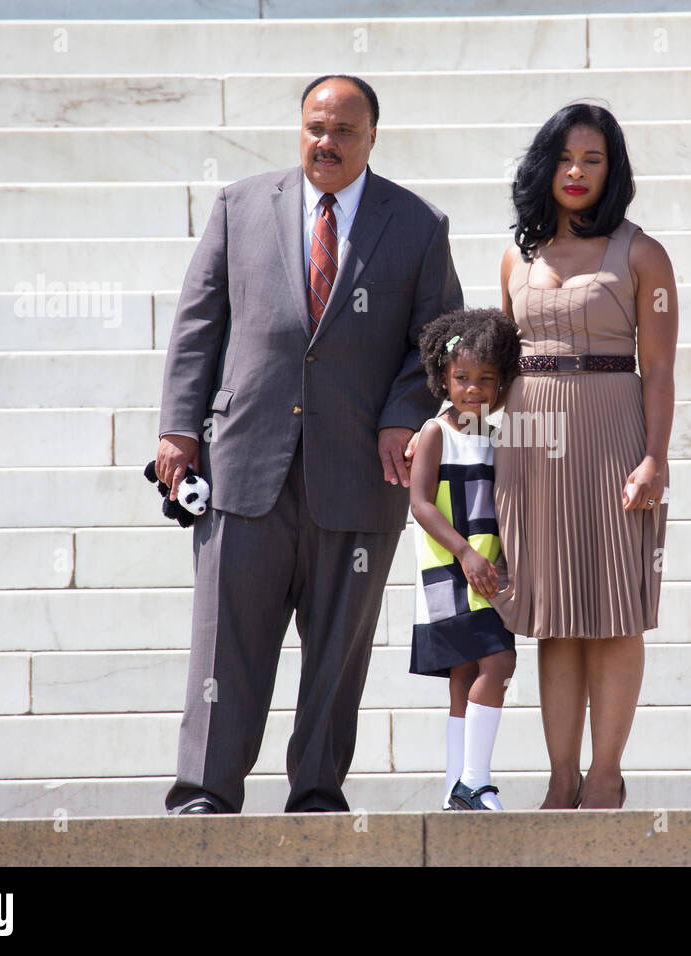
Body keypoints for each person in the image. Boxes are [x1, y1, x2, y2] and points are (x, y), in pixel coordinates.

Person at [155, 73, 462, 814]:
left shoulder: (417, 224)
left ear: (371, 138)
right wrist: (177, 428)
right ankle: (205, 793)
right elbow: (199, 325)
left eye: (344, 131)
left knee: (337, 655)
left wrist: (402, 412)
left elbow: (441, 339)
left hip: (359, 473)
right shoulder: (240, 205)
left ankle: (318, 796)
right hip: (243, 466)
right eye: (315, 127)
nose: (326, 142)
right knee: (224, 646)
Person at [495, 103, 678, 810]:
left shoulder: (642, 253)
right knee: (555, 616)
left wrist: (654, 458)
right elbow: (492, 363)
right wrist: (451, 428)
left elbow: (659, 370)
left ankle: (606, 775)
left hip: (613, 439)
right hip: (529, 447)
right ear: (546, 166)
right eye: (566, 158)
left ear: (612, 171)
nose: (577, 171)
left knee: (614, 613)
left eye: (593, 159)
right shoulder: (516, 255)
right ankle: (560, 775)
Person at [408, 308, 522, 810]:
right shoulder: (436, 433)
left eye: (486, 380)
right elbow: (420, 503)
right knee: (499, 661)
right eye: (461, 378)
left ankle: (456, 786)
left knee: (465, 676)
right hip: (453, 574)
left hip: (488, 572)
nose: (473, 389)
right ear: (442, 377)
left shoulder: (498, 438)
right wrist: (465, 553)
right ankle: (476, 781)